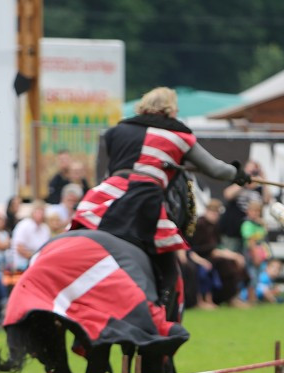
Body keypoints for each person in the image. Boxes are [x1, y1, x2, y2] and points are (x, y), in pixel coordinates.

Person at [71, 87, 250, 317]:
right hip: (145, 199)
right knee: (169, 268)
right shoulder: (179, 136)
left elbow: (116, 166)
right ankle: (162, 314)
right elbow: (216, 169)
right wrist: (237, 174)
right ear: (171, 109)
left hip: (106, 195)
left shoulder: (116, 131)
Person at [9, 201, 50, 272]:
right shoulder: (24, 225)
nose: (40, 215)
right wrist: (35, 258)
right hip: (23, 262)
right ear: (32, 212)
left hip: (39, 261)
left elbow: (47, 247)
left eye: (42, 212)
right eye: (38, 212)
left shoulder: (45, 228)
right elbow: (20, 248)